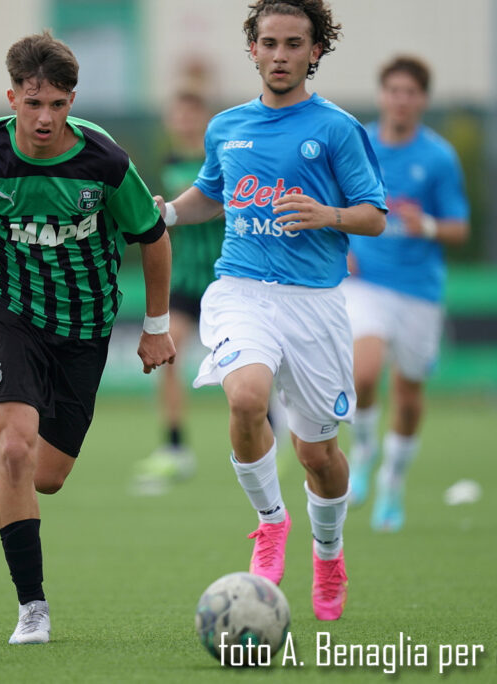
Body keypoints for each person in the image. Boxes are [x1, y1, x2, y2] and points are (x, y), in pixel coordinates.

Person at [0, 32, 175, 644]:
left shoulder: (104, 162)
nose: (45, 117)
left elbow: (154, 238)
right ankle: (32, 608)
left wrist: (156, 327)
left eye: (57, 104)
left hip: (83, 329)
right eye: (32, 103)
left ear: (72, 101)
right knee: (14, 453)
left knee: (47, 476)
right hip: (10, 316)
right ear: (12, 97)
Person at [156, 0, 386, 621]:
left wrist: (329, 215)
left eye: (294, 44)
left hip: (314, 304)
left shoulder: (336, 128)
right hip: (241, 288)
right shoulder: (226, 126)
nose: (280, 55)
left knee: (318, 456)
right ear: (252, 49)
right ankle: (270, 522)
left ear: (315, 51)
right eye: (269, 43)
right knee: (245, 397)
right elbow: (212, 191)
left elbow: (375, 215)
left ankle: (330, 552)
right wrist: (170, 213)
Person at [344, 56, 470, 531]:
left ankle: (392, 484)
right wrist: (342, 248)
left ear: (422, 100)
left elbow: (460, 228)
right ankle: (362, 449)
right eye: (392, 90)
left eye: (410, 92)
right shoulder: (360, 143)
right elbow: (337, 204)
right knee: (364, 371)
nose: (400, 99)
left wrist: (429, 225)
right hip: (366, 283)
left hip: (418, 291)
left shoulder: (438, 157)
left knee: (410, 393)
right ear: (381, 95)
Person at [132, 90, 226, 495]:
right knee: (169, 354)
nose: (185, 123)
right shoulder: (171, 163)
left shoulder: (220, 159)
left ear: (205, 118)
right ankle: (175, 448)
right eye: (179, 116)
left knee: (247, 364)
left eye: (193, 115)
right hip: (185, 281)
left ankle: (273, 428)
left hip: (225, 278)